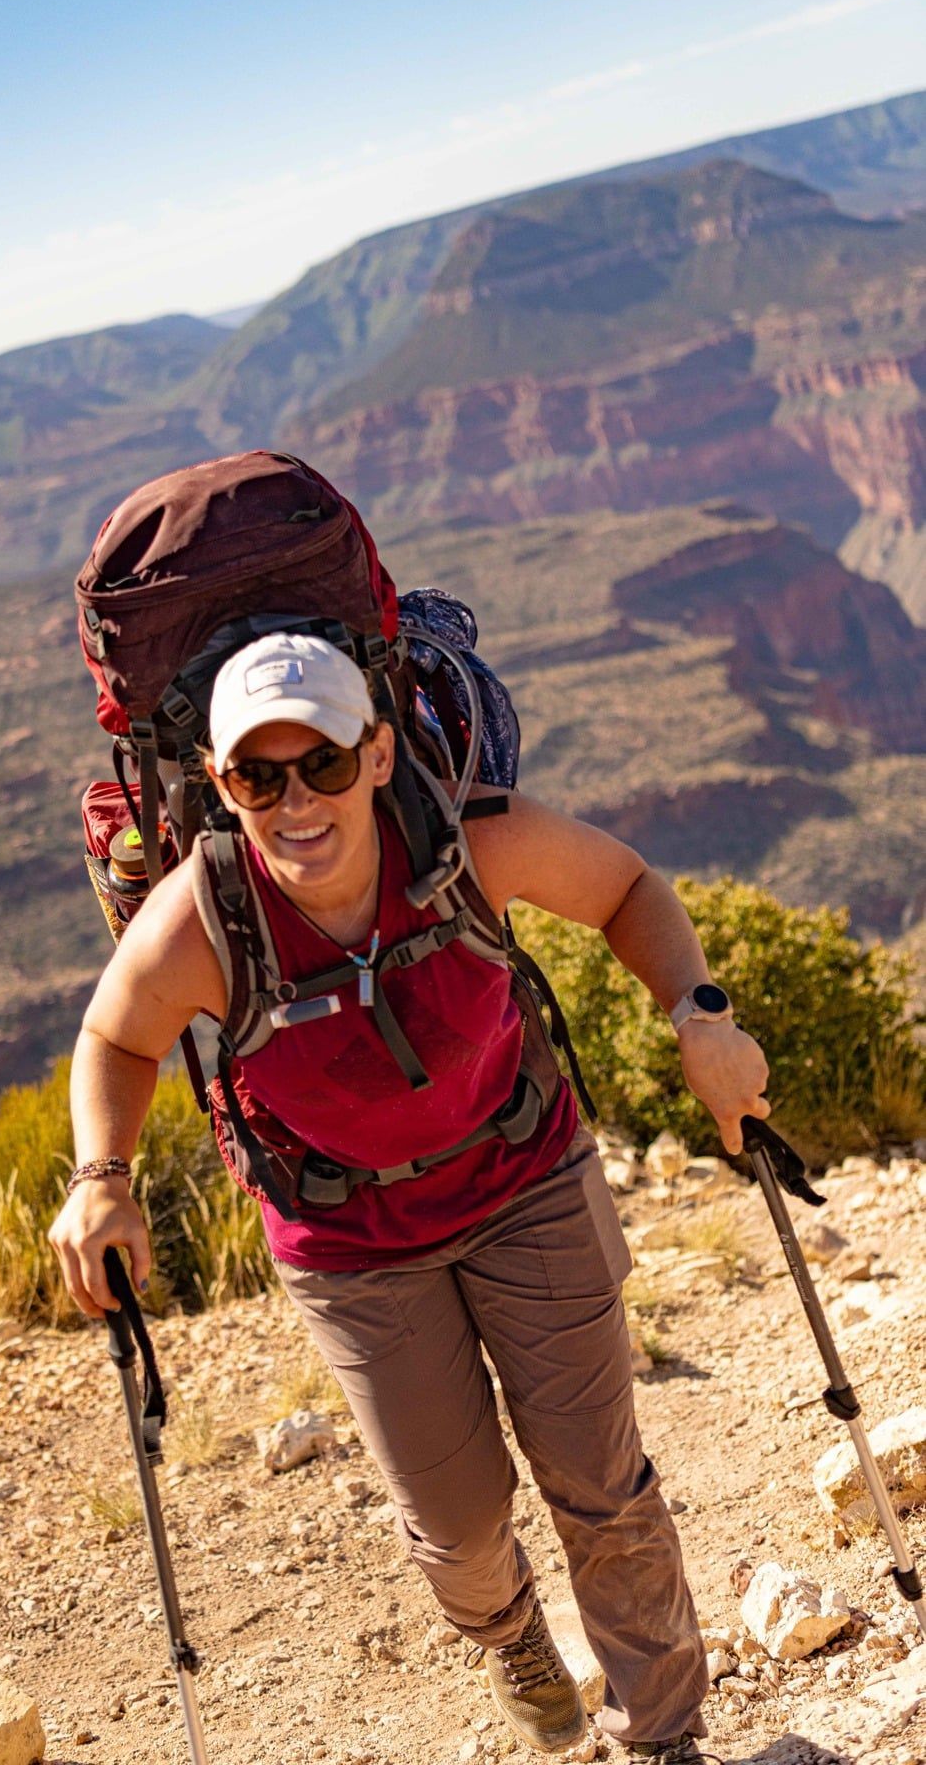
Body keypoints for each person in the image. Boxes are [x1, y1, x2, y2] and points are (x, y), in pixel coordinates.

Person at [49, 631, 770, 1762]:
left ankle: (665, 1736)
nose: (297, 801)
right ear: (224, 786)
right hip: (349, 1240)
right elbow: (114, 1035)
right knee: (459, 1527)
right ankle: (514, 1632)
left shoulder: (467, 841)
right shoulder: (203, 917)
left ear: (379, 752)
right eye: (258, 776)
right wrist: (101, 1177)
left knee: (602, 1485)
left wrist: (700, 1016)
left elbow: (627, 887)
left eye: (325, 763)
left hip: (526, 1173)